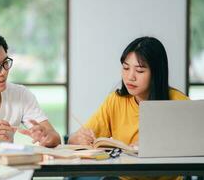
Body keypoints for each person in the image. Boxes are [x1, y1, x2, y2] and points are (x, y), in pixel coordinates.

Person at [68, 37, 188, 180]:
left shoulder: (179, 102)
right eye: (125, 68)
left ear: (156, 73)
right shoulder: (115, 101)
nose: (130, 77)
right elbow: (76, 139)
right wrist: (76, 138)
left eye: (140, 70)